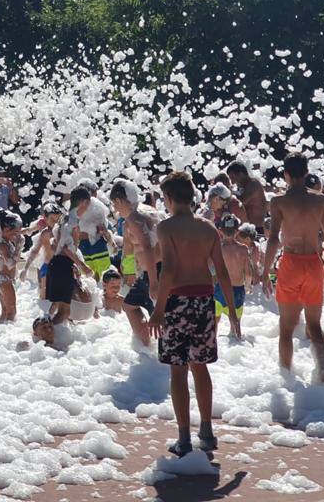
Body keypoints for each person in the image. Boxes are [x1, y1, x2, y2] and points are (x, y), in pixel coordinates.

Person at [148, 171, 239, 457]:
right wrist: (233, 313)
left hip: (177, 301)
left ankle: (184, 438)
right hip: (203, 300)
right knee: (201, 366)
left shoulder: (167, 228)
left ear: (170, 198)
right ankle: (207, 431)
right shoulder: (208, 229)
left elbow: (170, 270)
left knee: (178, 370)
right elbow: (222, 272)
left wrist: (158, 309)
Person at [263, 152, 324, 381]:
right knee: (314, 325)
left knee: (286, 326)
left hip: (291, 263)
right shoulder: (320, 200)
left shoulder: (278, 201)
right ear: (306, 173)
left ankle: (286, 376)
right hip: (314, 262)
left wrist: (264, 271)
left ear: (285, 175)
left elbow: (273, 239)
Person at [110, 179, 161, 346]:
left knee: (161, 317)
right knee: (129, 305)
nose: (114, 208)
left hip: (156, 272)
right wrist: (130, 272)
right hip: (148, 273)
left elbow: (148, 249)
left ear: (119, 200)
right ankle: (146, 350)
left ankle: (164, 358)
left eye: (114, 204)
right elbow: (128, 246)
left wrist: (153, 282)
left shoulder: (135, 218)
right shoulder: (148, 212)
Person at [45, 214, 93, 325]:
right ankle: (47, 331)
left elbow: (57, 248)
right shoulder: (70, 230)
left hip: (56, 265)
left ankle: (46, 325)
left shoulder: (60, 232)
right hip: (62, 266)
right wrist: (82, 266)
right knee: (65, 312)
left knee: (58, 304)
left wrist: (73, 265)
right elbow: (67, 250)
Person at [214, 213, 255, 333]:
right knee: (236, 323)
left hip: (220, 289)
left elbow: (211, 269)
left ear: (220, 231)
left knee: (214, 321)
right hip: (237, 290)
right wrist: (248, 285)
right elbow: (248, 273)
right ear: (237, 231)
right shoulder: (243, 249)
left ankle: (213, 346)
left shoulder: (218, 249)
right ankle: (237, 340)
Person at [19, 202, 64, 298]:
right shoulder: (42, 225)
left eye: (58, 219)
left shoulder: (64, 226)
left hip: (61, 262)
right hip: (45, 258)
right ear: (45, 217)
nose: (56, 222)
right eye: (52, 219)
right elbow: (29, 232)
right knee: (43, 288)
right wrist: (25, 268)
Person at [70, 185, 115, 279]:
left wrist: (111, 243)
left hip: (97, 245)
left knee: (105, 278)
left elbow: (104, 229)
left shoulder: (97, 208)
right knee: (90, 281)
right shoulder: (73, 212)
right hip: (85, 247)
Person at [0, 210, 23, 323]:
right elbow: (10, 264)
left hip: (3, 279)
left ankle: (1, 331)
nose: (17, 235)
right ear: (6, 230)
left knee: (6, 311)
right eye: (15, 232)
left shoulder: (6, 241)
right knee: (12, 311)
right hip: (4, 280)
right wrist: (19, 248)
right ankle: (8, 333)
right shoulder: (2, 245)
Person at [226, 161, 267, 234]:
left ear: (241, 174)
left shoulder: (253, 184)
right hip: (246, 228)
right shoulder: (242, 187)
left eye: (233, 177)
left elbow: (241, 202)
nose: (232, 182)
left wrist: (228, 192)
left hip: (257, 228)